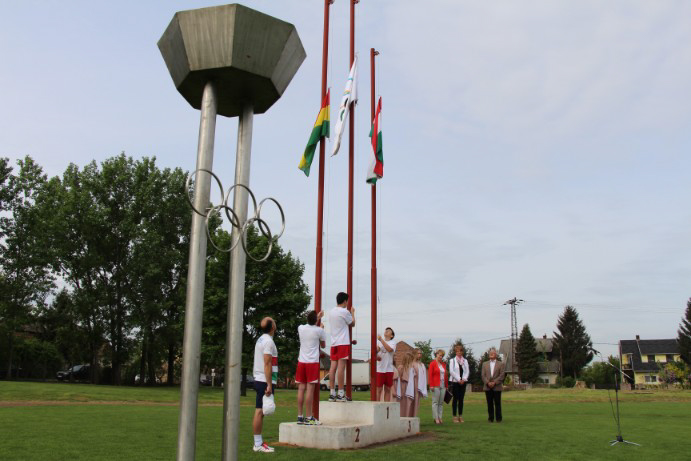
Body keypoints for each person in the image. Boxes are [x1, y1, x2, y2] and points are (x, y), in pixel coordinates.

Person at [296, 310, 326, 425]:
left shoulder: (301, 328)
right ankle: (309, 417)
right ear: (316, 320)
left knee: (301, 389)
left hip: (301, 361)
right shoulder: (319, 330)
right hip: (312, 362)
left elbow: (310, 324)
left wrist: (317, 317)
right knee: (310, 390)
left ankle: (300, 416)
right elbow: (323, 345)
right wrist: (321, 328)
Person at [252, 317, 278, 452]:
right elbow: (267, 363)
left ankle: (258, 443)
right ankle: (257, 444)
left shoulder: (261, 339)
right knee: (260, 411)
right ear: (272, 327)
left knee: (261, 411)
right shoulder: (268, 341)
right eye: (273, 321)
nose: (275, 322)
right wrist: (269, 384)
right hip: (264, 380)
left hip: (261, 379)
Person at [327, 292, 355, 402]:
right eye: (347, 301)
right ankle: (341, 393)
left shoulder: (331, 312)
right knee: (341, 368)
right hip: (343, 342)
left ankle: (332, 393)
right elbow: (352, 323)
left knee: (332, 368)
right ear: (345, 301)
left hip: (334, 342)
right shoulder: (345, 312)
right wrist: (352, 313)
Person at [481, 347, 506, 423]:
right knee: (489, 403)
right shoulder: (484, 364)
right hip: (487, 387)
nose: (491, 354)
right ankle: (490, 418)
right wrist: (488, 382)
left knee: (497, 403)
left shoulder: (501, 364)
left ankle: (498, 419)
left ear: (496, 355)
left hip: (497, 387)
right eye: (490, 353)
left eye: (493, 353)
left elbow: (502, 375)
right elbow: (483, 375)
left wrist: (494, 382)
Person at [449, 344, 470, 423]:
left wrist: (463, 379)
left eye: (460, 351)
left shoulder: (465, 361)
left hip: (463, 382)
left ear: (462, 352)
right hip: (455, 382)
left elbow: (467, 371)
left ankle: (460, 416)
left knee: (461, 399)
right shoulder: (452, 360)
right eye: (457, 351)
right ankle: (454, 416)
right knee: (455, 399)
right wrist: (458, 379)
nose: (459, 353)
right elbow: (451, 371)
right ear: (455, 352)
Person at [376, 327, 397, 401]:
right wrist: (376, 355)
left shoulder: (393, 342)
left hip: (389, 369)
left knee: (388, 389)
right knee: (379, 389)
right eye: (385, 331)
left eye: (388, 331)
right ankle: (377, 404)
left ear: (391, 335)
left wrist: (381, 340)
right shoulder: (378, 342)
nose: (386, 331)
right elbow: (376, 350)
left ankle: (386, 405)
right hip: (380, 369)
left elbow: (389, 349)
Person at [395, 351, 418, 417]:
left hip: (410, 386)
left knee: (409, 402)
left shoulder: (412, 368)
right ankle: (403, 416)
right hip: (403, 386)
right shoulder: (401, 367)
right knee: (403, 402)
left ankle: (409, 416)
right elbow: (399, 378)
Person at [428, 349, 447, 424]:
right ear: (436, 355)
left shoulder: (443, 364)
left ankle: (440, 417)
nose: (441, 357)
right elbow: (430, 375)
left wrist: (446, 385)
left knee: (441, 403)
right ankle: (436, 418)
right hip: (435, 385)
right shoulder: (432, 363)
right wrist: (431, 385)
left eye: (442, 356)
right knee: (435, 402)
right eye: (440, 355)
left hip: (443, 385)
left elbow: (445, 375)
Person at [412, 349, 427, 417]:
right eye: (418, 353)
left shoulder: (422, 364)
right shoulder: (412, 364)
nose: (419, 355)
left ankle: (415, 415)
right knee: (413, 400)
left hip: (419, 384)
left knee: (417, 401)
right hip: (414, 384)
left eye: (420, 353)